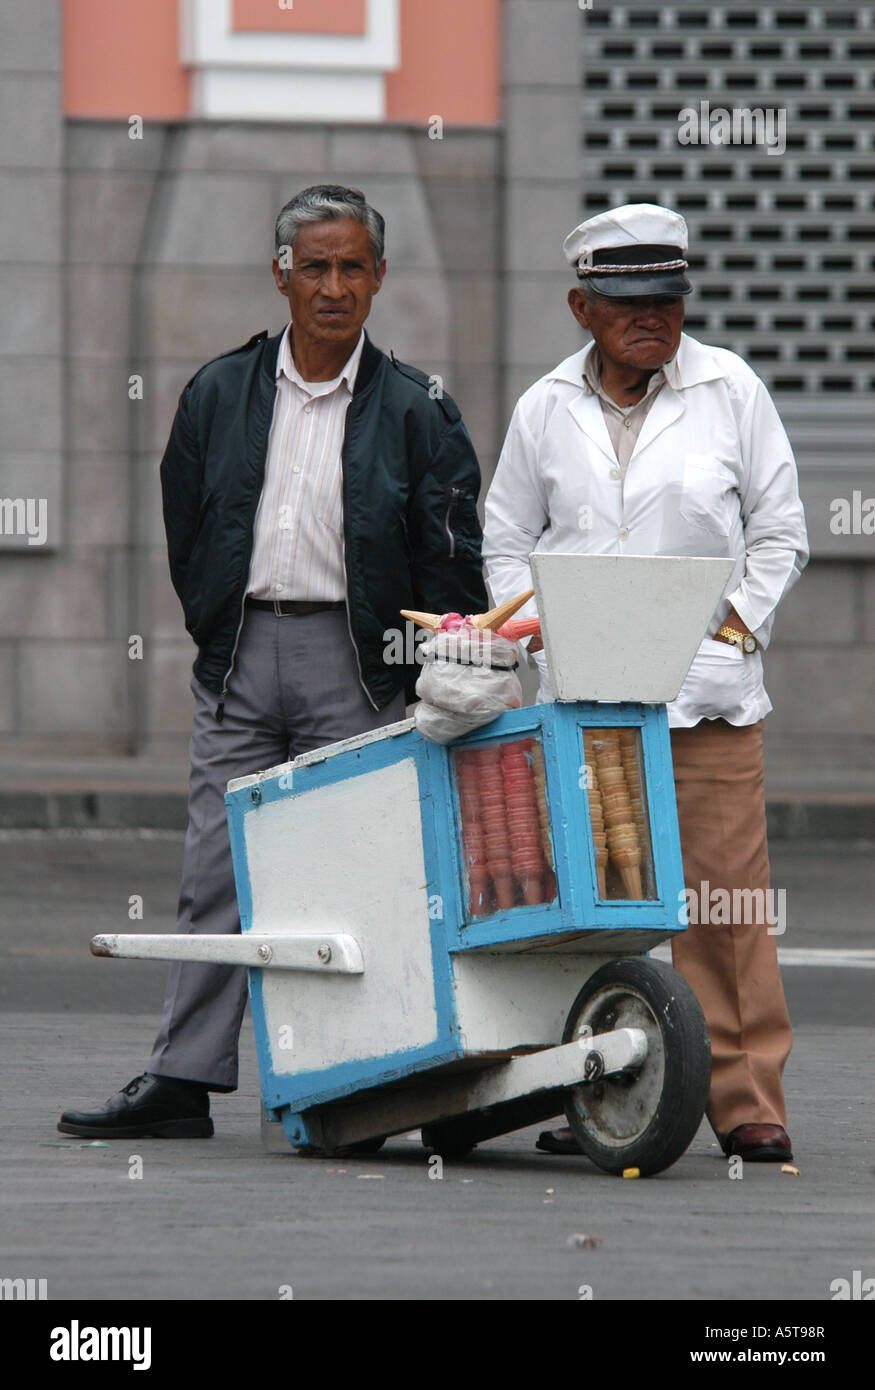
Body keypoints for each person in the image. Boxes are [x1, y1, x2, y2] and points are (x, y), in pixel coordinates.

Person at [59, 185, 487, 1140]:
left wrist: (424, 665)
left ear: (378, 279)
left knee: (351, 875)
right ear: (280, 274)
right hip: (244, 653)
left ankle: (358, 1080)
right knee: (215, 867)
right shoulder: (220, 391)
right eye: (314, 266)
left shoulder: (418, 407)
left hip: (361, 661)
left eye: (351, 267)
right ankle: (182, 1078)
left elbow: (451, 554)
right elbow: (187, 520)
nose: (332, 286)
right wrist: (217, 626)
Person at [483, 203, 808, 1163]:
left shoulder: (729, 389)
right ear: (582, 305)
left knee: (723, 909)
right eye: (627, 302)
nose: (651, 318)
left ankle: (745, 1098)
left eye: (666, 299)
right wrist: (540, 631)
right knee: (589, 910)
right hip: (587, 700)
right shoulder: (544, 405)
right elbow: (507, 538)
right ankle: (581, 1091)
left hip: (705, 698)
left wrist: (735, 630)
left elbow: (781, 531)